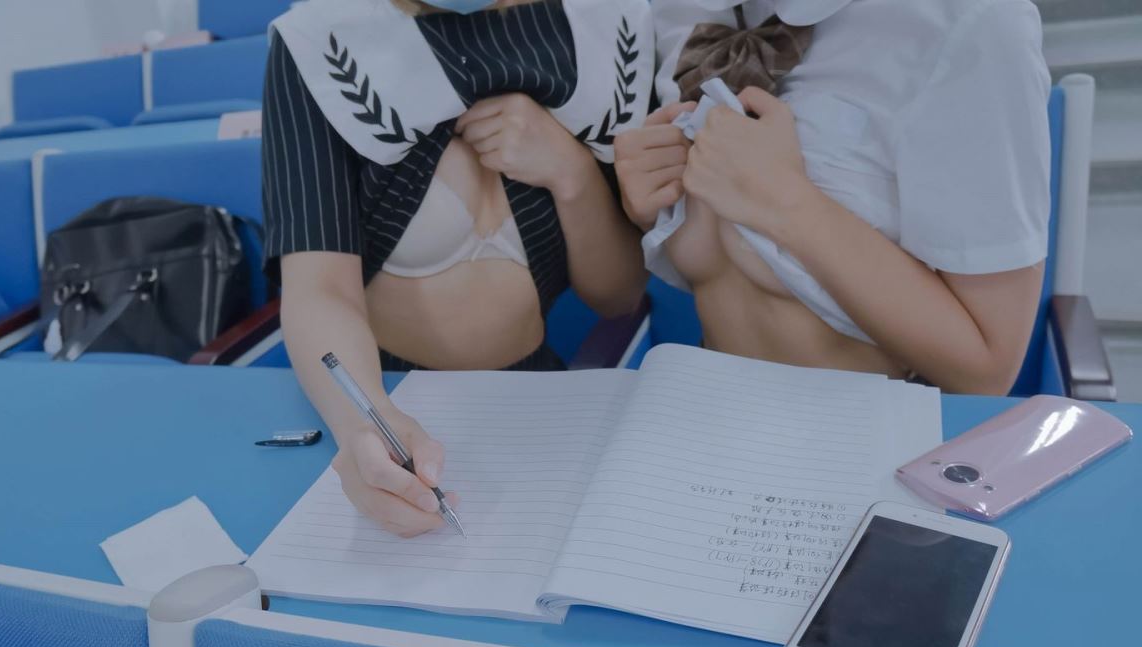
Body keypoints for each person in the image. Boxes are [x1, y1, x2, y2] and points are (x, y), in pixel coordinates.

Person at [263, 0, 653, 536]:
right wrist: (364, 425)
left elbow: (619, 296)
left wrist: (574, 174)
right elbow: (319, 287)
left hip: (543, 406)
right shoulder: (318, 42)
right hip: (387, 397)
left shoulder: (602, 29)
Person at [615, 0, 1052, 395]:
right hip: (699, 417)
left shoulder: (972, 23)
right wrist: (649, 200)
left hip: (866, 436)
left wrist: (787, 202)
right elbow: (720, 261)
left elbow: (987, 371)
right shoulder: (687, 11)